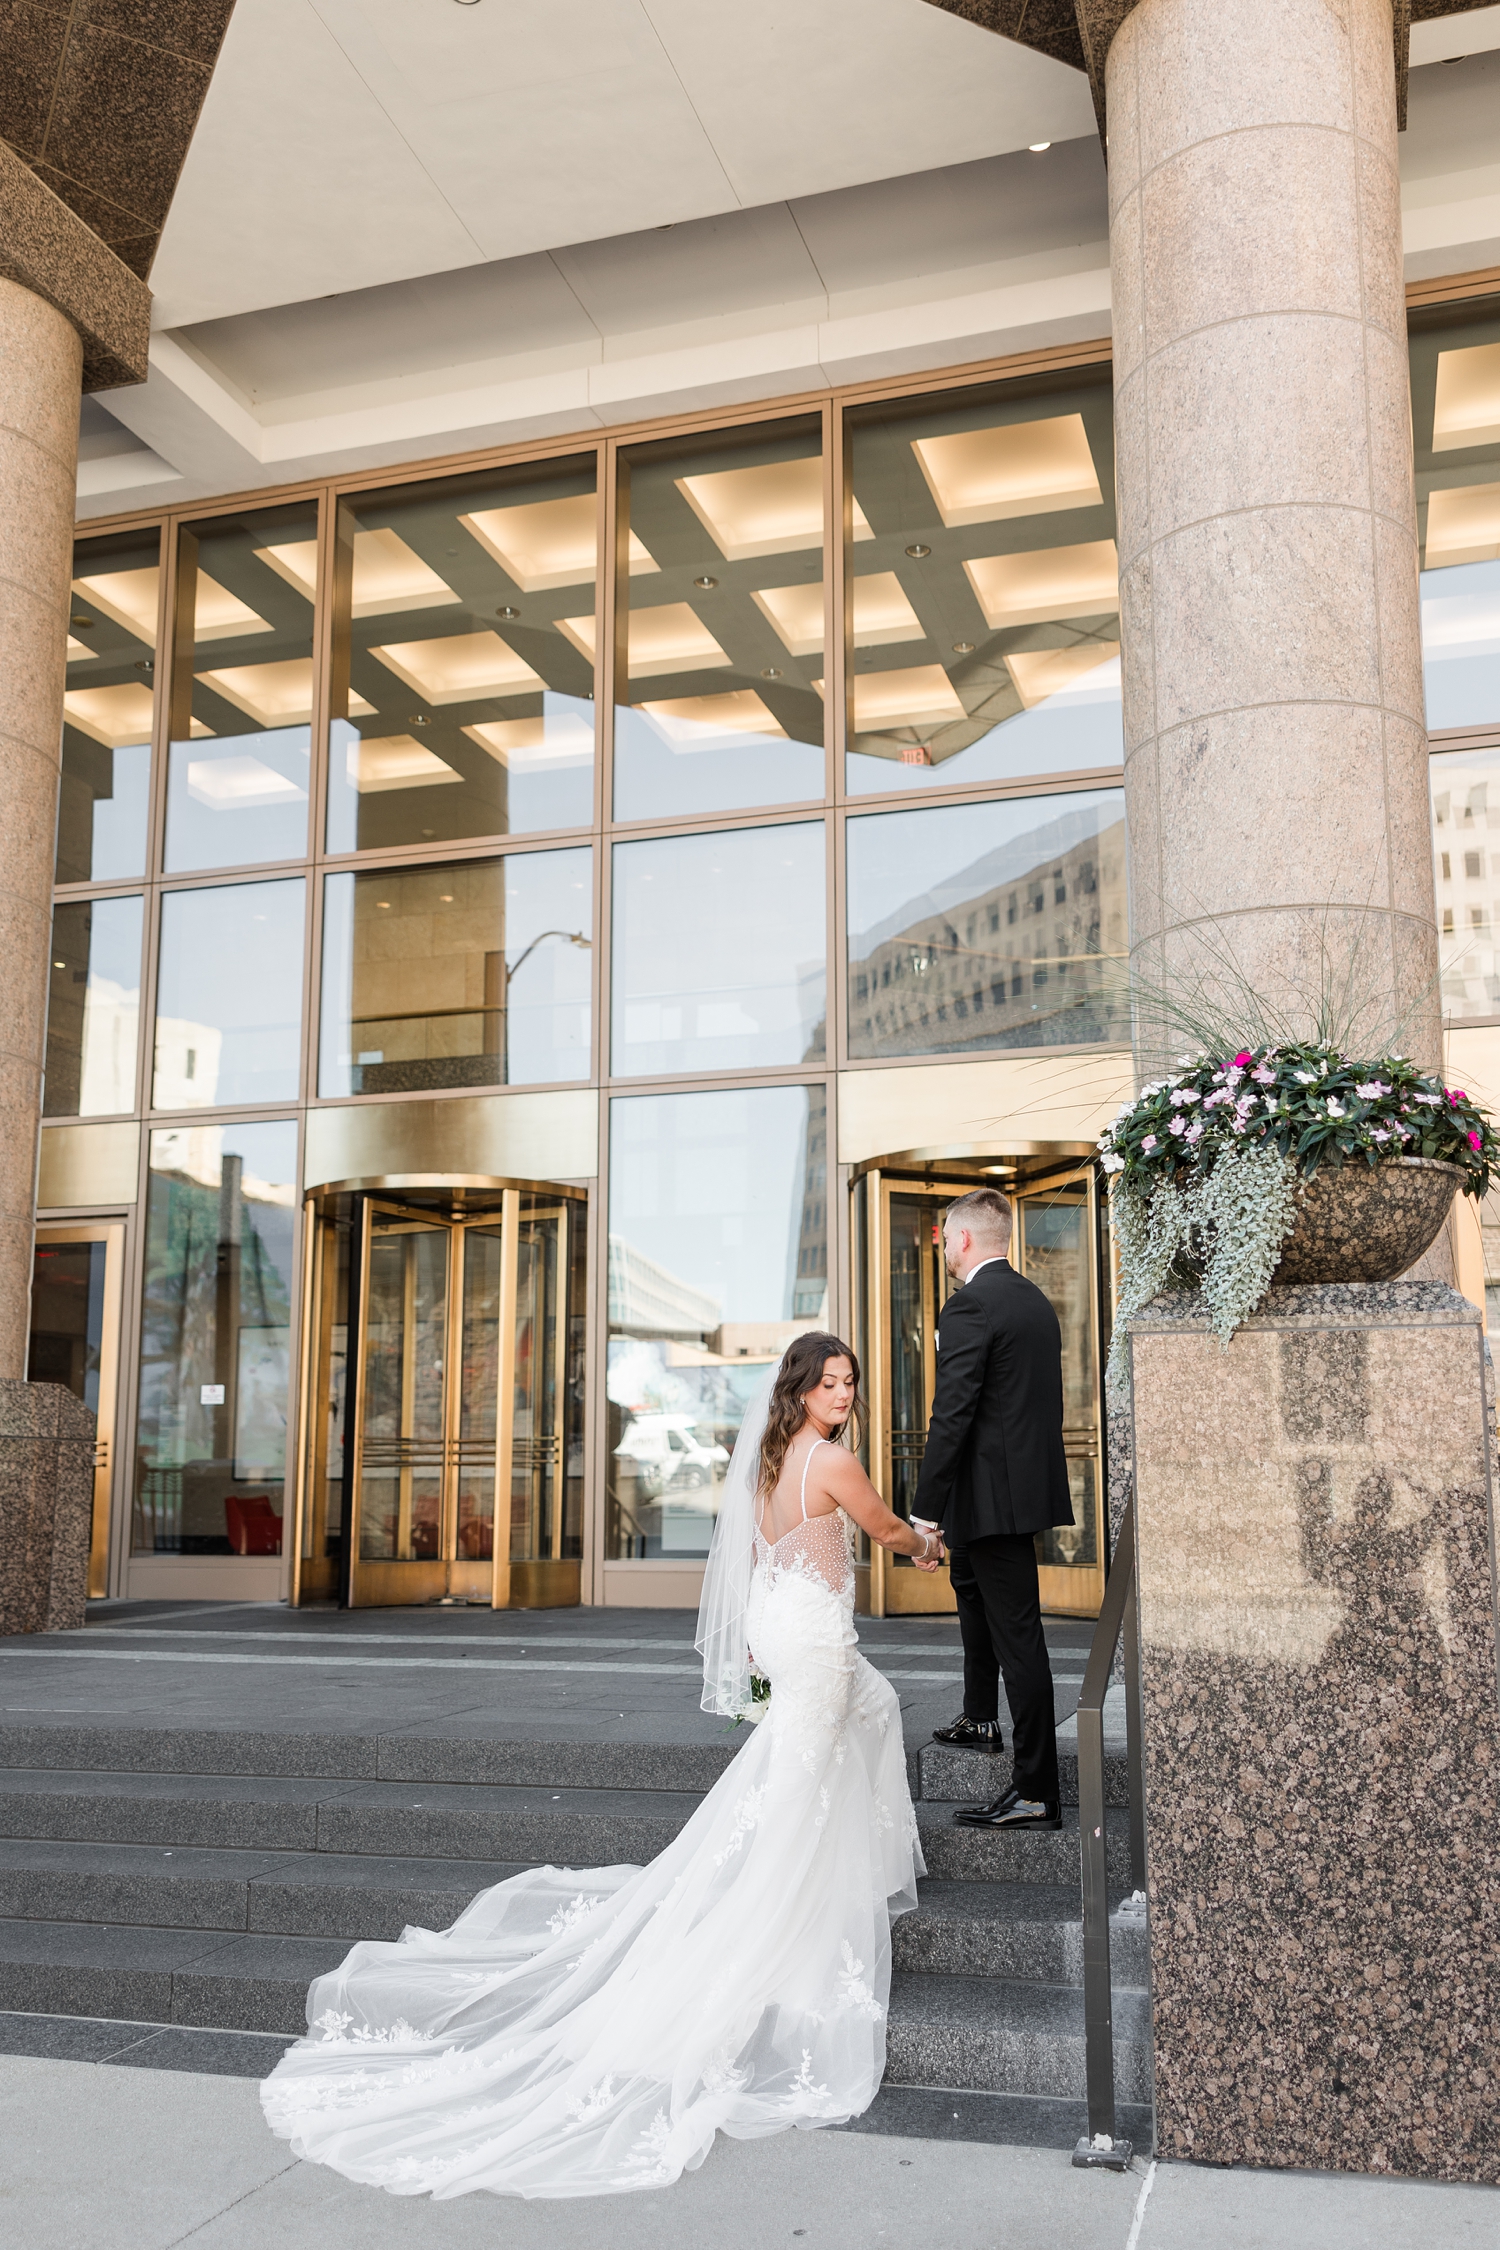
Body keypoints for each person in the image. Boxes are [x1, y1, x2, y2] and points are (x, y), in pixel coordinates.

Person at [259, 1333, 943, 2201]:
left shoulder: (769, 1458)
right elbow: (881, 1530)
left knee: (865, 1718)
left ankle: (854, 1865)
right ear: (801, 1391)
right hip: (811, 1640)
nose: (843, 1394)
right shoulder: (833, 1462)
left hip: (790, 1623)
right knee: (799, 1787)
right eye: (829, 1383)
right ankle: (778, 1912)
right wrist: (928, 1543)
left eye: (850, 1382)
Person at [913, 1187, 1073, 1832]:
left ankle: (1036, 1790)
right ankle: (980, 1717)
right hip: (1006, 1493)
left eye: (948, 1238)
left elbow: (952, 1414)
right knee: (973, 1594)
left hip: (992, 1499)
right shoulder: (1032, 1299)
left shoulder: (971, 1304)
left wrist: (925, 1512)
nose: (945, 1249)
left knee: (1019, 1639)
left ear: (967, 1239)